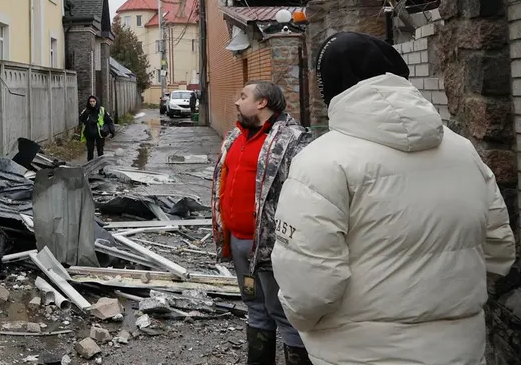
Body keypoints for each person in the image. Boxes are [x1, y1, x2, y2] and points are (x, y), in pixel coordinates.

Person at [272, 32, 515, 365]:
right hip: (460, 348)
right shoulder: (464, 151)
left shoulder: (320, 162)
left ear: (329, 86)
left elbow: (308, 283)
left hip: (359, 351)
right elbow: (499, 248)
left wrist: (308, 323)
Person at [211, 82, 310, 365]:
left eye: (243, 96)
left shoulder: (291, 140)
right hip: (238, 242)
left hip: (272, 246)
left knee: (284, 312)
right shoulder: (235, 137)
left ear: (262, 103)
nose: (236, 102)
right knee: (255, 307)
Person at [78, 95, 114, 160]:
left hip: (100, 133)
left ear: (96, 101)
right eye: (90, 101)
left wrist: (112, 131)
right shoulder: (86, 110)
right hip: (89, 133)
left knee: (100, 150)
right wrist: (87, 117)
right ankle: (90, 165)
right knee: (90, 150)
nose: (92, 103)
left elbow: (109, 120)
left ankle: (101, 165)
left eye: (93, 101)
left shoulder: (102, 109)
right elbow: (81, 119)